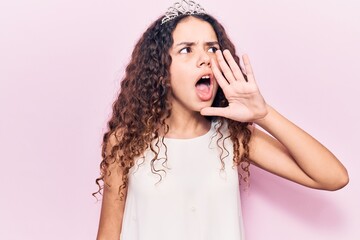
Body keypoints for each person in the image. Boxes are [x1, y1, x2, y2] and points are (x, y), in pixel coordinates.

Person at [94, 1, 349, 239]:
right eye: (186, 49)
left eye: (212, 48)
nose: (205, 58)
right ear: (161, 68)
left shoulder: (233, 137)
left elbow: (333, 177)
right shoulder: (127, 141)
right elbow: (108, 234)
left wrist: (264, 115)